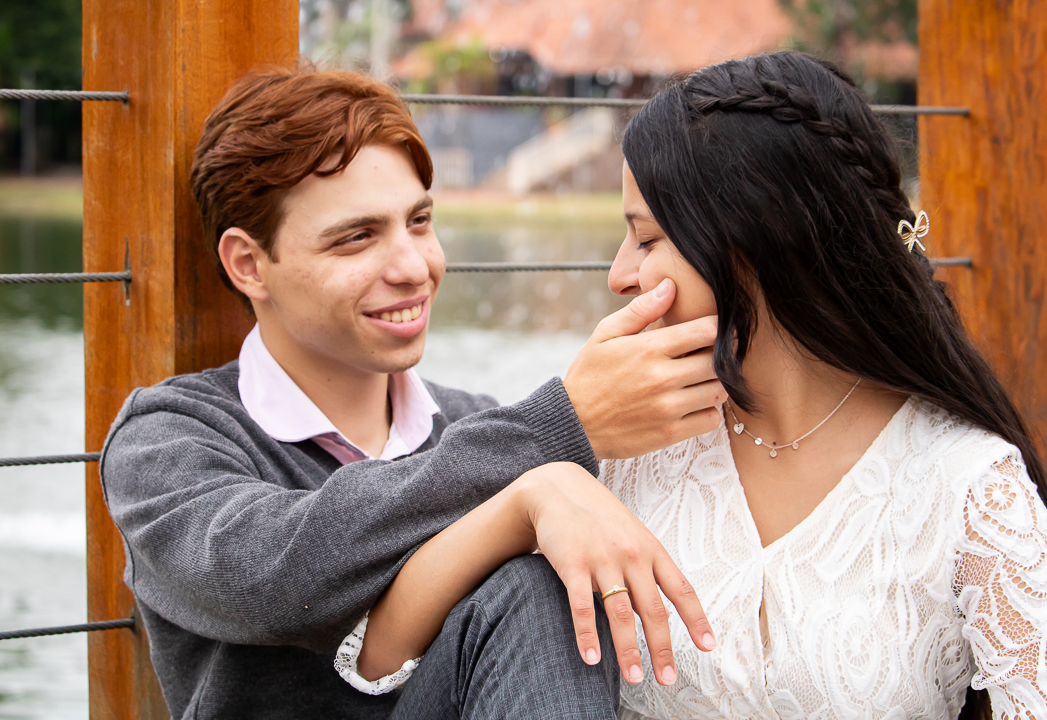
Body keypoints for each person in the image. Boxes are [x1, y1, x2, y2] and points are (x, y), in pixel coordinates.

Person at [351, 52, 1047, 719]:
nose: (619, 275)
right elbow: (380, 659)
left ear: (755, 242)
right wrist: (529, 497)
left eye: (647, 240)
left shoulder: (968, 488)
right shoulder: (631, 438)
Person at [99, 65, 723, 720]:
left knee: (539, 586)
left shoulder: (477, 428)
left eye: (420, 221)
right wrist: (561, 428)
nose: (414, 267)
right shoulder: (164, 441)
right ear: (249, 264)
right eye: (357, 237)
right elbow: (275, 580)